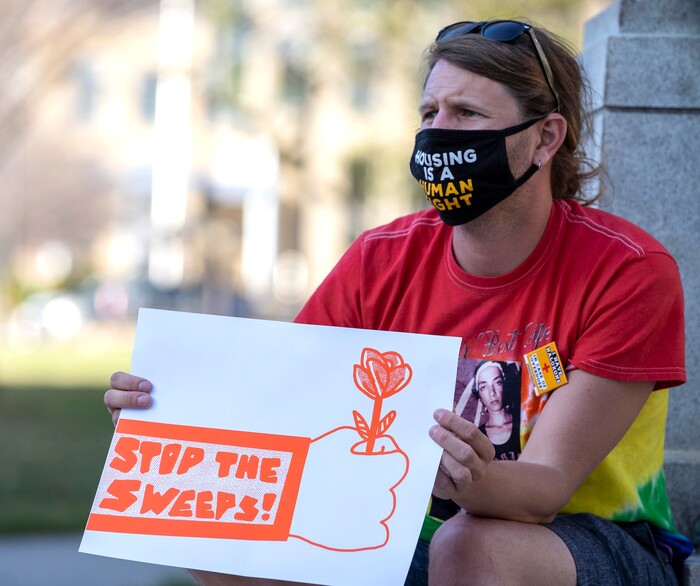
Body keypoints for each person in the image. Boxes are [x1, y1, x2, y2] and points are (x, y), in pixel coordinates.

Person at [105, 18, 690, 586]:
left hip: (591, 538)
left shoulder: (628, 271)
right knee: (226, 539)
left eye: (467, 113)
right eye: (429, 113)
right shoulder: (381, 258)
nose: (439, 131)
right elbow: (289, 410)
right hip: (415, 528)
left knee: (471, 545)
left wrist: (444, 473)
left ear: (545, 137)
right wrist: (167, 417)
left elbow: (545, 490)